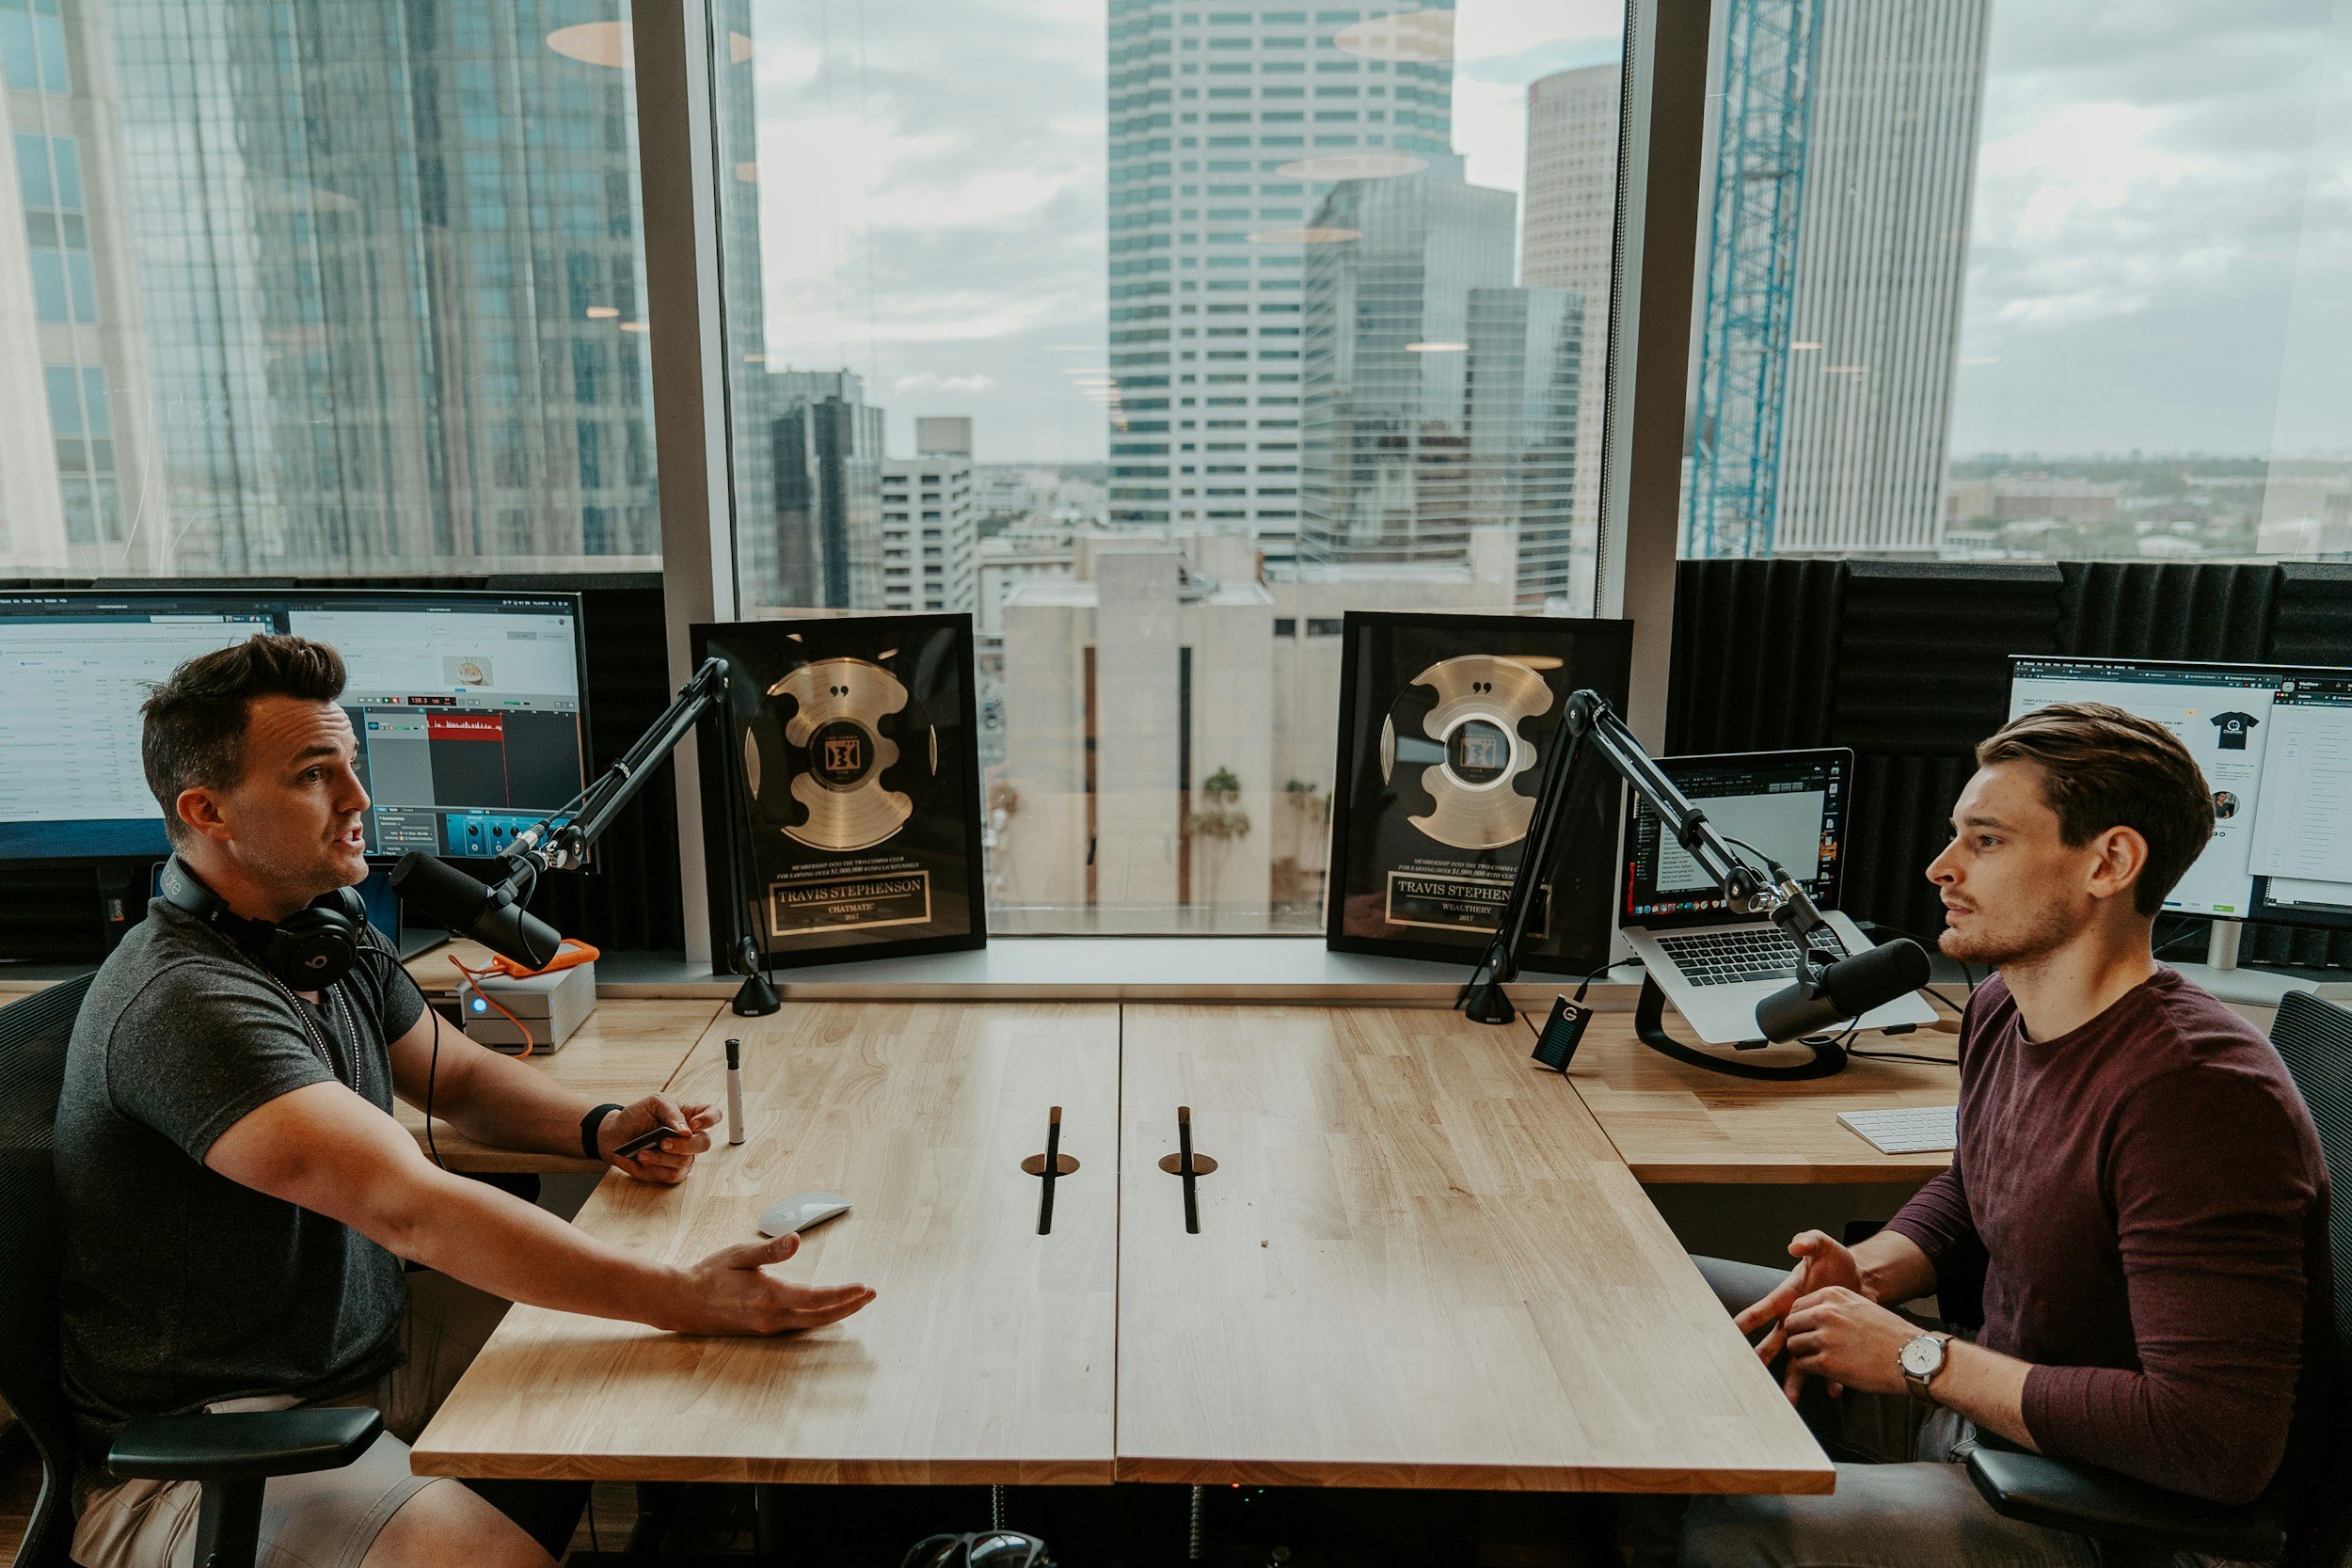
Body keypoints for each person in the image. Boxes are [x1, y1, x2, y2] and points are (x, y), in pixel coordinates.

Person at [56, 636, 877, 1568]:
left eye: (352, 769)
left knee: (699, 1366)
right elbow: (413, 1207)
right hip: (207, 1448)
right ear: (207, 810)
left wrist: (597, 1126)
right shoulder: (190, 1003)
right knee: (510, 1537)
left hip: (363, 1353)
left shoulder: (317, 928)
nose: (359, 801)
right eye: (315, 776)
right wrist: (683, 1296)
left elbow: (457, 1076)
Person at [1631, 702, 2333, 1568]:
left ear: (2110, 861)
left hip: (2112, 1510)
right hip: (1989, 1418)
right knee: (1653, 1299)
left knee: (1737, 1532)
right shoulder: (2004, 1005)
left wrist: (1920, 1355)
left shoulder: (2198, 1096)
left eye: (1986, 841)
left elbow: (2215, 1438)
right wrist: (1872, 1271)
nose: (1940, 867)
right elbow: (1978, 1187)